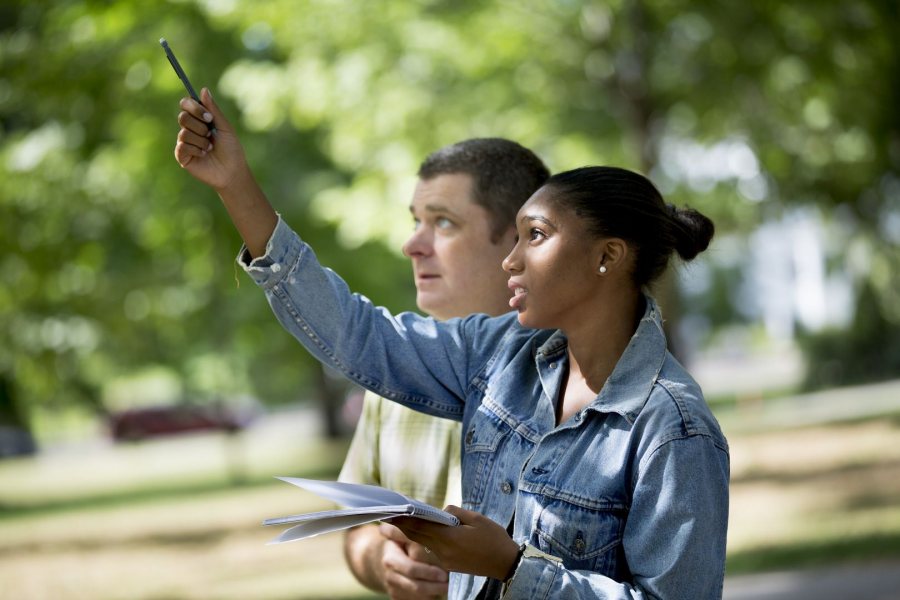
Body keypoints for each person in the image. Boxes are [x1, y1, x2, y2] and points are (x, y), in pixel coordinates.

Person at [174, 89, 729, 599]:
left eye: (534, 236)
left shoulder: (673, 428)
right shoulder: (494, 352)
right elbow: (356, 332)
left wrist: (512, 568)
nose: (511, 259)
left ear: (607, 256)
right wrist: (235, 184)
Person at [337, 138, 549, 599]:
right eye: (416, 221)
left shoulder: (571, 375)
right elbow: (354, 528)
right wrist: (381, 562)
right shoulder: (391, 373)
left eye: (443, 223)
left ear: (521, 239)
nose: (412, 244)